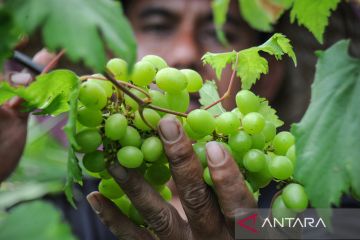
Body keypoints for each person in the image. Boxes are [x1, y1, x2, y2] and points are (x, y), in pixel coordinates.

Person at [1, 0, 359, 239]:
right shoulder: (53, 222)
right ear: (107, 54)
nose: (186, 52)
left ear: (267, 77)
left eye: (221, 34)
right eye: (158, 25)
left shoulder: (323, 213)